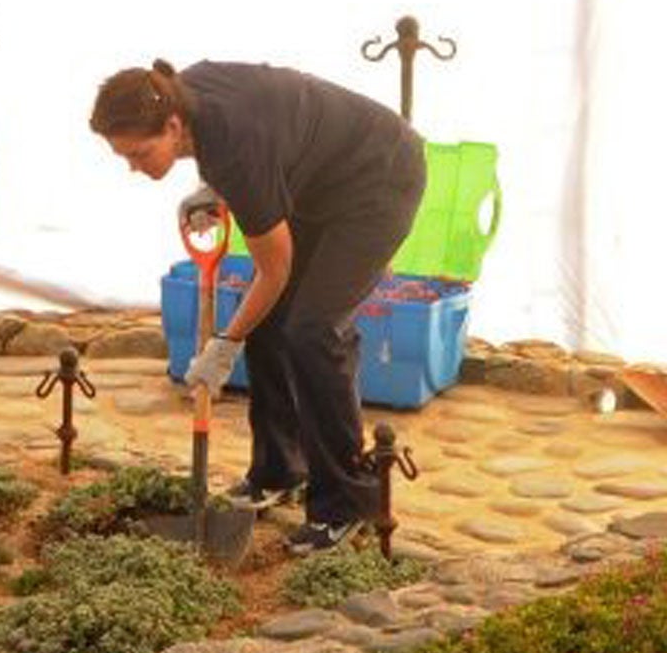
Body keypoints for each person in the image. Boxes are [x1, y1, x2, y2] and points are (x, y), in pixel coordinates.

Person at [91, 58, 426, 552]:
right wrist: (215, 192)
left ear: (174, 126)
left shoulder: (234, 147)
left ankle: (346, 502)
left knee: (313, 330)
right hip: (318, 183)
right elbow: (266, 135)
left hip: (380, 178)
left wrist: (223, 347)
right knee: (272, 322)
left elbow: (275, 270)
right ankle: (279, 470)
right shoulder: (184, 91)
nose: (134, 168)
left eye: (140, 153)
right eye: (125, 158)